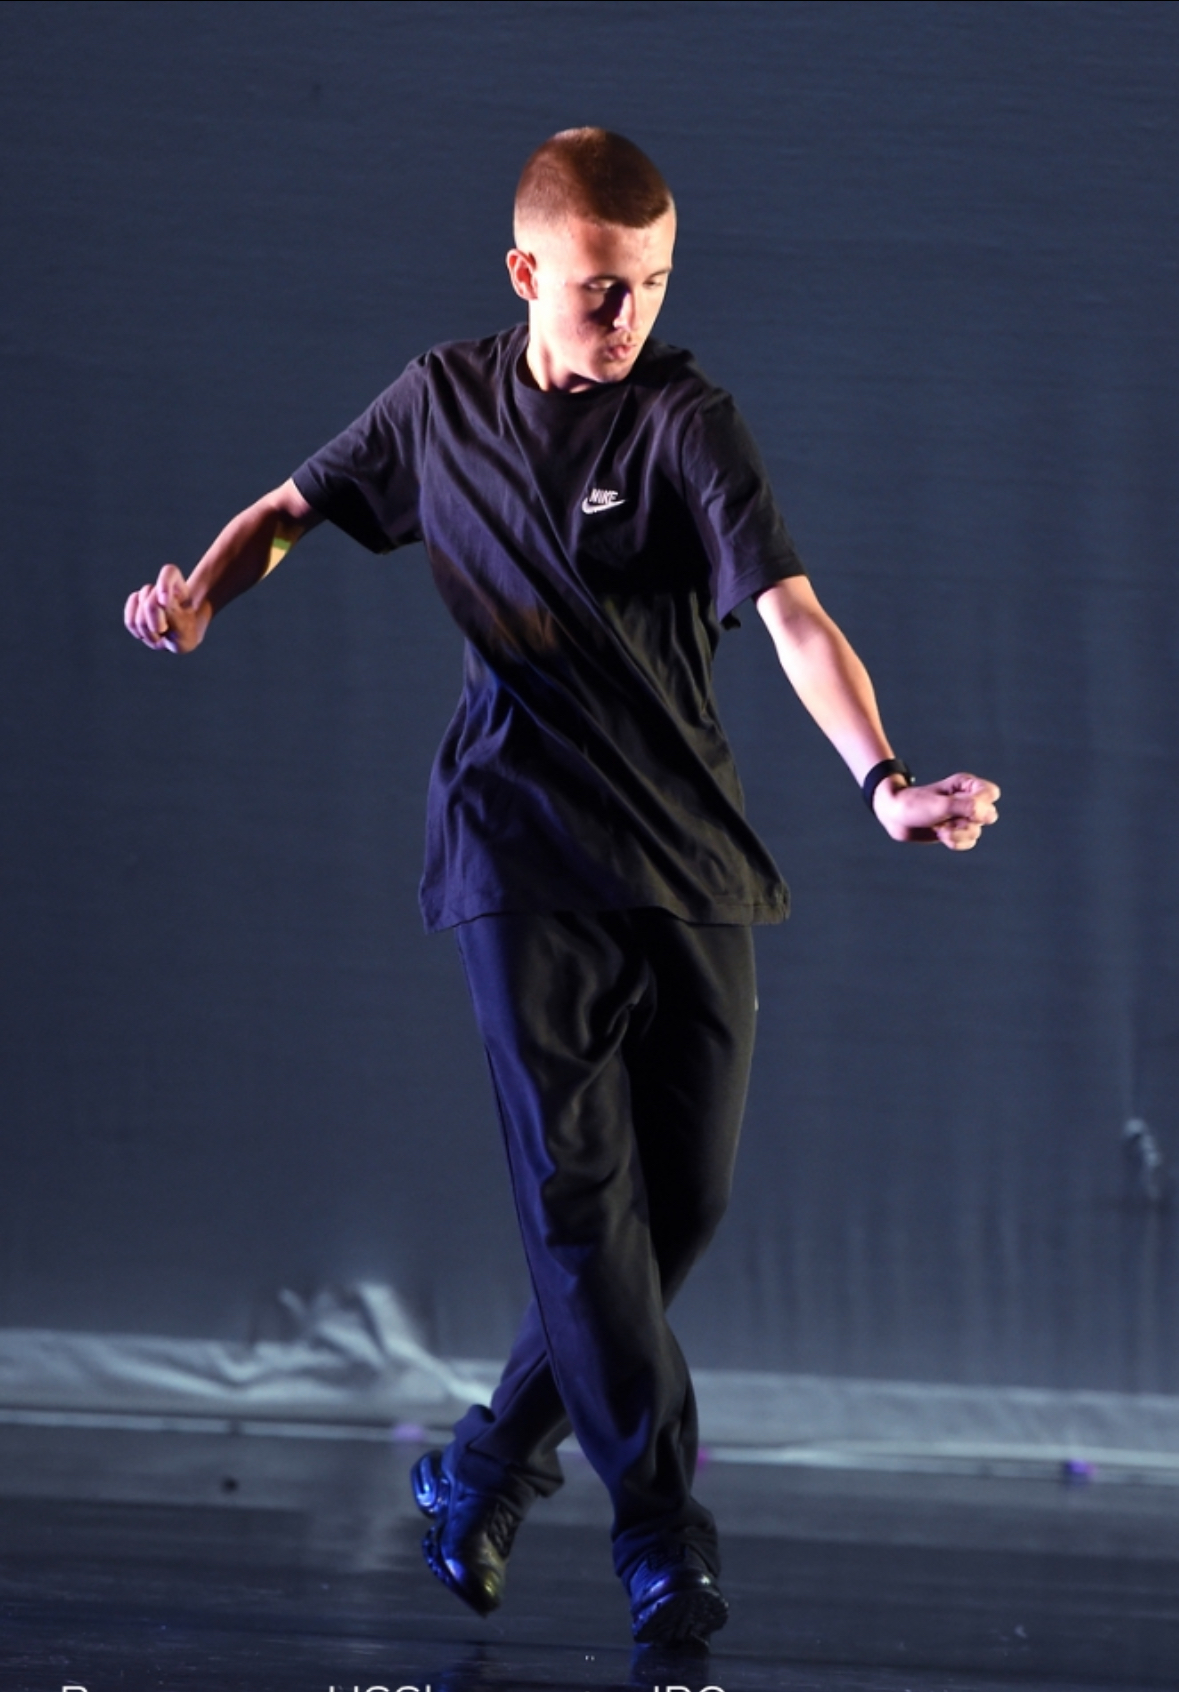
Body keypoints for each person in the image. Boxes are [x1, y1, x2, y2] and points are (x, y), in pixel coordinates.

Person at [124, 128, 999, 1647]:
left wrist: (882, 780)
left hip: (683, 852)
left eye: (652, 284)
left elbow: (791, 614)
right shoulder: (438, 405)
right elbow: (288, 510)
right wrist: (201, 592)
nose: (629, 315)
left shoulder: (684, 422)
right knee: (581, 1204)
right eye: (602, 287)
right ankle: (663, 1538)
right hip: (514, 847)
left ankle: (482, 1465)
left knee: (676, 1212)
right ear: (526, 273)